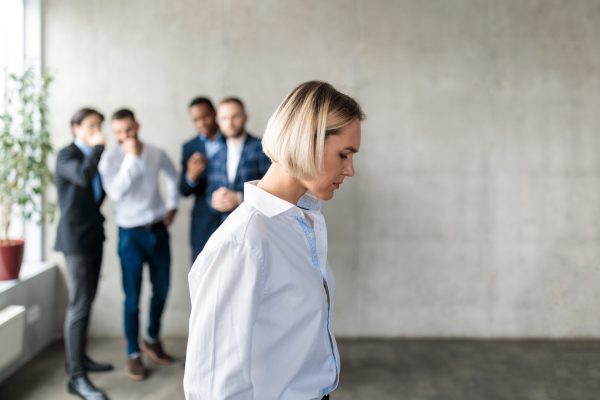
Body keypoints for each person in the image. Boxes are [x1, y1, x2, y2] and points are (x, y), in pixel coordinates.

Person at [184, 81, 364, 399]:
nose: (350, 169)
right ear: (306, 142)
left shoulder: (301, 223)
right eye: (344, 154)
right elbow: (212, 386)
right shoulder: (244, 241)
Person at [98, 108, 179, 381]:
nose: (125, 136)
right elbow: (116, 192)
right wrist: (131, 157)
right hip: (130, 235)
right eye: (119, 132)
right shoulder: (109, 159)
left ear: (138, 125)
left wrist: (172, 205)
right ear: (114, 133)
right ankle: (134, 352)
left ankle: (152, 338)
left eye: (129, 130)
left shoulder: (155, 152)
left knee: (163, 289)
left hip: (158, 231)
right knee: (132, 298)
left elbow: (172, 176)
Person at [55, 108, 113, 400]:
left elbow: (97, 195)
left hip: (93, 237)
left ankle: (79, 359)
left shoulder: (92, 157)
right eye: (90, 126)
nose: (96, 131)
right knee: (78, 304)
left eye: (99, 127)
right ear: (75, 128)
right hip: (75, 240)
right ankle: (76, 377)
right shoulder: (67, 156)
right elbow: (82, 176)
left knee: (87, 301)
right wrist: (100, 147)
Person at [206, 97, 271, 222]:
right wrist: (215, 200)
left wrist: (240, 198)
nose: (230, 123)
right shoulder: (216, 154)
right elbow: (210, 191)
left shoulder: (262, 148)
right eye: (224, 118)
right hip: (225, 226)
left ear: (245, 117)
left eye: (235, 116)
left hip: (257, 223)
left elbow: (273, 188)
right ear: (218, 121)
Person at [179, 97, 225, 261]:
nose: (202, 123)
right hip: (202, 222)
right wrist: (191, 176)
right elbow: (183, 190)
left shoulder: (233, 138)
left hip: (232, 216)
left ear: (214, 114)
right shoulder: (189, 147)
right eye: (196, 120)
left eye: (205, 117)